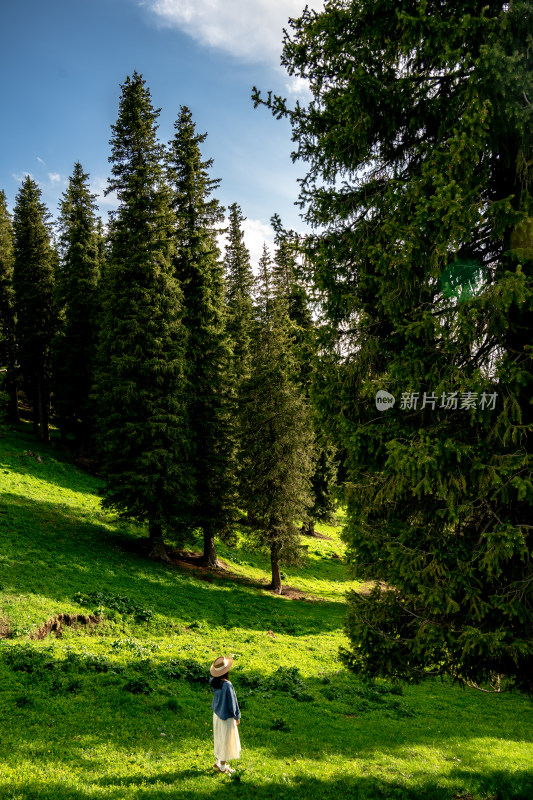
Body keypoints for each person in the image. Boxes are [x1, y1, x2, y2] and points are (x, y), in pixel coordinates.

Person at [209, 655, 241, 774]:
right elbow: (232, 702)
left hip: (217, 714)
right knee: (226, 741)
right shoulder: (227, 685)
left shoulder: (213, 682)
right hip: (226, 716)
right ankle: (222, 767)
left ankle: (218, 763)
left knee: (219, 738)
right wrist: (237, 716)